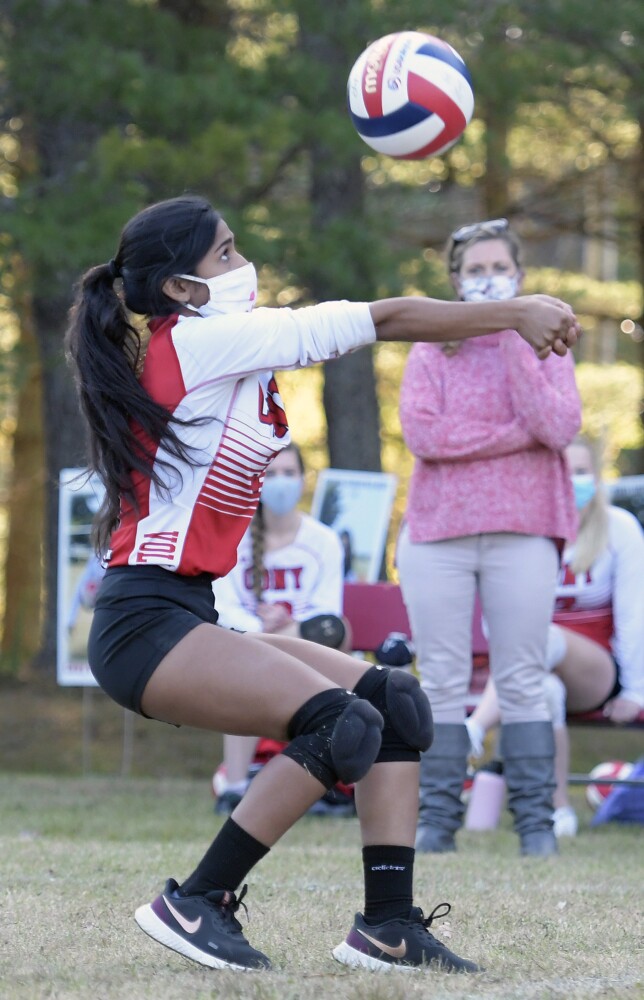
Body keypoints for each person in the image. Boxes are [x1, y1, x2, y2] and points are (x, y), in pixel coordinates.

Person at [65, 195, 578, 974]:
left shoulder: (219, 345)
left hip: (187, 612)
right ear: (180, 288)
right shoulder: (202, 341)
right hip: (145, 625)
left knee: (394, 704)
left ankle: (389, 927)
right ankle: (198, 901)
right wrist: (515, 312)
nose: (244, 264)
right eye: (225, 253)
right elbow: (386, 318)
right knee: (342, 725)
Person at [396, 217, 582, 858]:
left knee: (523, 677)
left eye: (500, 268)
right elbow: (426, 437)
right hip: (439, 533)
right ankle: (436, 823)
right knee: (442, 679)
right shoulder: (430, 350)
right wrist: (514, 438)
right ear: (455, 282)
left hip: (524, 529)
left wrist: (513, 338)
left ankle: (536, 826)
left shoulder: (550, 348)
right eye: (475, 271)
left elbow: (556, 427)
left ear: (521, 276)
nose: (489, 279)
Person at [466, 435, 644, 837]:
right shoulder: (522, 531)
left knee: (539, 636)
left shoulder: (619, 529)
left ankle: (474, 728)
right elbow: (498, 620)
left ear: (595, 478)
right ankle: (558, 810)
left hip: (595, 671)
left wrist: (637, 691)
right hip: (530, 671)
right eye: (562, 471)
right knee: (546, 691)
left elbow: (635, 616)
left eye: (580, 471)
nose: (571, 480)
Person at [212, 441, 354, 816]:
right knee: (243, 664)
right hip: (246, 649)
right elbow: (222, 608)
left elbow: (327, 616)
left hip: (309, 649)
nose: (281, 482)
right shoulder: (233, 539)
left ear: (303, 480)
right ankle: (235, 790)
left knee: (335, 631)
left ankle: (319, 782)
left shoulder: (323, 541)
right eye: (271, 474)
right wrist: (262, 626)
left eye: (289, 473)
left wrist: (289, 625)